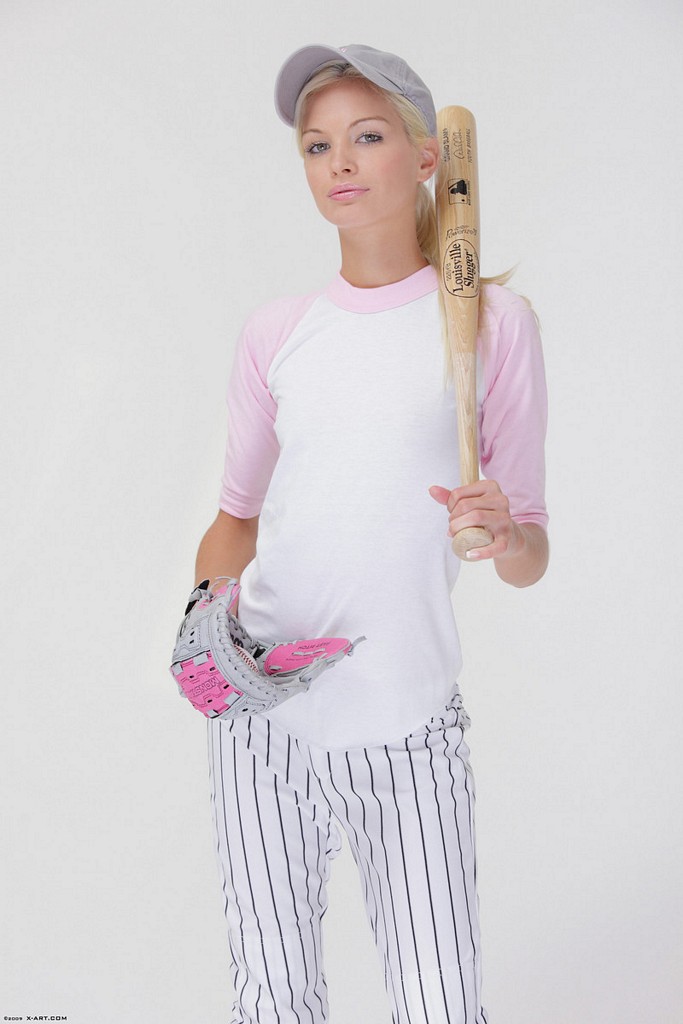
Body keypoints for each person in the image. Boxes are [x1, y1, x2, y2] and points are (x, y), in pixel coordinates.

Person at [190, 43, 548, 1024]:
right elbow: (235, 518)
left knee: (438, 1003)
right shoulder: (276, 332)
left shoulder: (493, 323)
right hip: (263, 721)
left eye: (367, 137)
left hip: (405, 725)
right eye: (316, 146)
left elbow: (528, 552)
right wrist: (203, 631)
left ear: (428, 157)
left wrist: (503, 532)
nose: (338, 163)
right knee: (272, 1000)